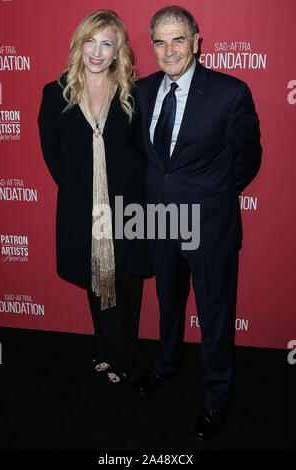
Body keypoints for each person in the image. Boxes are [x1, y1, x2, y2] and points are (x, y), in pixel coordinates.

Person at [135, 5, 261, 440]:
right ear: (151, 45)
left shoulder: (230, 92)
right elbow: (148, 157)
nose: (169, 50)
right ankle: (166, 365)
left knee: (214, 315)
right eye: (160, 41)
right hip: (158, 219)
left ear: (196, 40)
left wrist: (210, 197)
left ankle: (216, 398)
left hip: (209, 223)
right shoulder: (144, 89)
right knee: (169, 306)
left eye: (178, 39)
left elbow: (247, 159)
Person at [38, 10, 150, 384]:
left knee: (127, 280)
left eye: (107, 44)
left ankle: (122, 355)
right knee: (97, 277)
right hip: (83, 207)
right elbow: (53, 154)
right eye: (91, 41)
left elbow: (143, 151)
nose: (97, 52)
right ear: (79, 44)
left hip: (129, 204)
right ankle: (108, 349)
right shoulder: (56, 93)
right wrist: (79, 188)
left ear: (118, 51)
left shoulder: (134, 93)